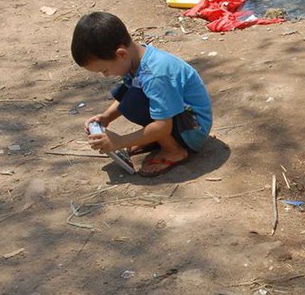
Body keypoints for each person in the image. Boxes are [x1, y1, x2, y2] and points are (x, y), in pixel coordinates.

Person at [71, 11, 212, 177]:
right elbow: (130, 92)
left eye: (105, 70)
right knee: (128, 94)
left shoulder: (155, 74)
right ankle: (158, 140)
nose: (106, 75)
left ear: (121, 54)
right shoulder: (136, 59)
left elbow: (162, 125)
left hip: (193, 129)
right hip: (180, 119)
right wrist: (106, 117)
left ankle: (174, 150)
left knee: (135, 103)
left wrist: (119, 142)